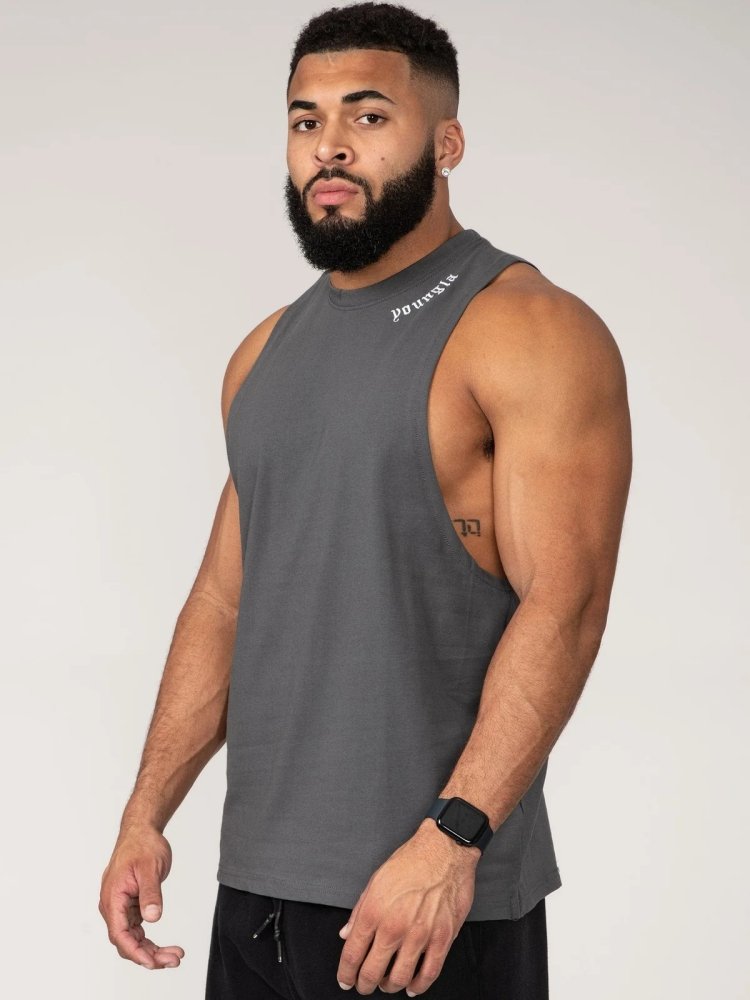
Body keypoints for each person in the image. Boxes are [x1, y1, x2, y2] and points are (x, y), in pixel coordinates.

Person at [98, 3, 632, 997]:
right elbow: (223, 603)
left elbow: (567, 603)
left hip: (425, 905)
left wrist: (453, 839)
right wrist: (146, 812)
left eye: (369, 115)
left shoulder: (528, 330)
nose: (329, 145)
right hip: (257, 894)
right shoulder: (263, 352)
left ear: (447, 142)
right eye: (305, 120)